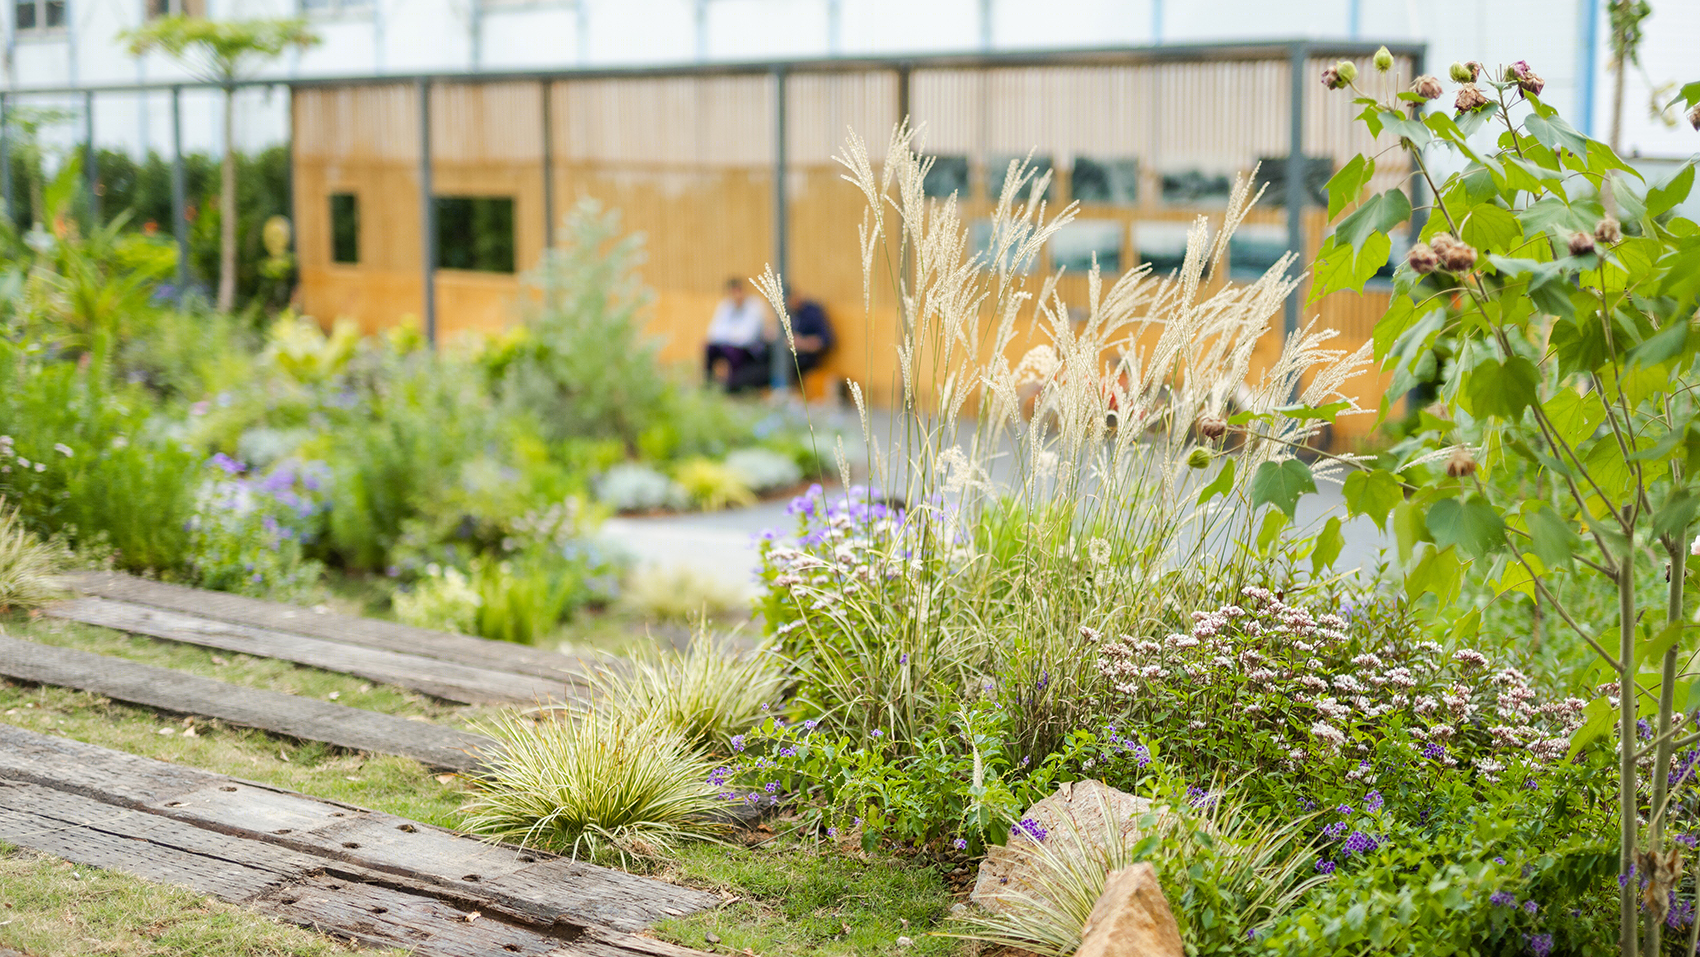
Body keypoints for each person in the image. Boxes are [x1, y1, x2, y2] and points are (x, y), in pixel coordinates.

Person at [704, 277, 770, 391]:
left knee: (732, 351)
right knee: (710, 348)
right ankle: (709, 384)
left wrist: (727, 335)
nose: (737, 295)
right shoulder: (726, 306)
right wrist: (730, 336)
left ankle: (732, 386)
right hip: (728, 345)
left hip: (750, 349)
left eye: (739, 291)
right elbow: (713, 332)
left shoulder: (754, 306)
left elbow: (747, 336)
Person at [784, 291, 835, 378]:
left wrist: (802, 343)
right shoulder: (789, 313)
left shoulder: (812, 312)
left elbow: (826, 340)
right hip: (787, 357)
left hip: (804, 361)